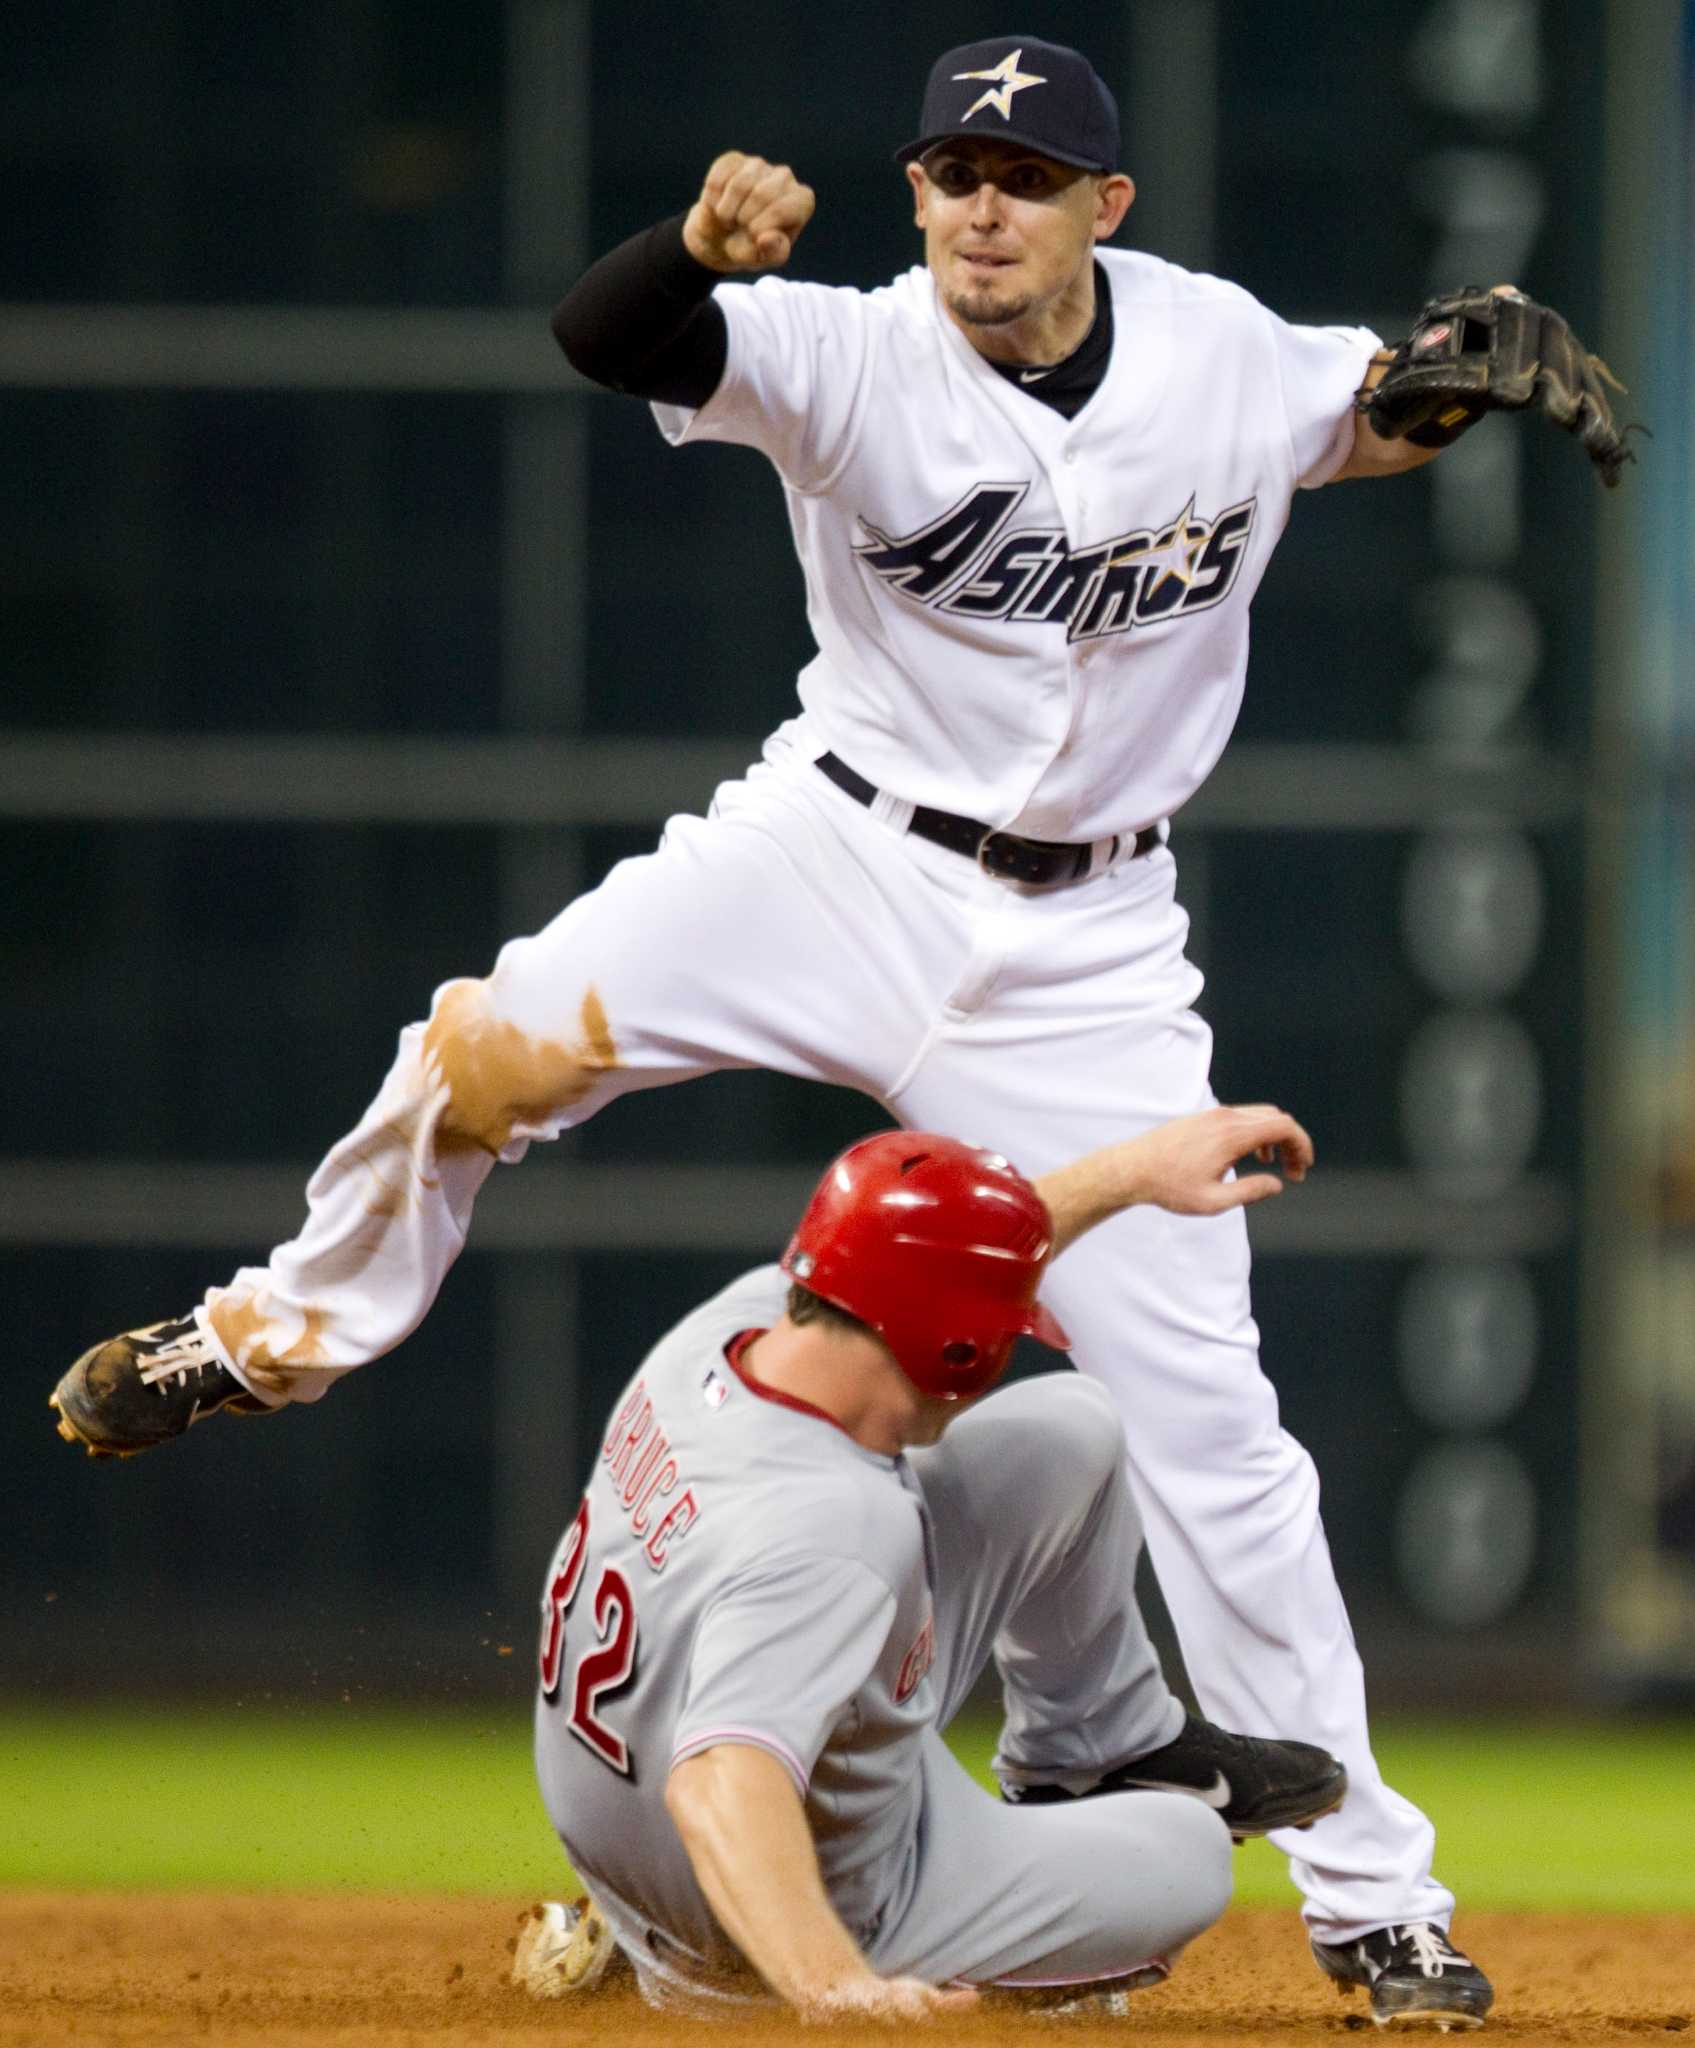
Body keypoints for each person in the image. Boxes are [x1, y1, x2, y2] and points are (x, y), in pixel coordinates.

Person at [50, 33, 1506, 2028]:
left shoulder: (1221, 352)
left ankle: (1371, 1899)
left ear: (1105, 205)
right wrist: (691, 243)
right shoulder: (843, 345)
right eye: (947, 171)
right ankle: (262, 1332)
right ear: (914, 196)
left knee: (1214, 1439)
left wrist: (1466, 358)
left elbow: (1381, 408)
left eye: (1020, 176)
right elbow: (608, 333)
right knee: (480, 1052)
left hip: (1090, 936)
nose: (976, 207)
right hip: (833, 852)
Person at [516, 1105, 1333, 2019]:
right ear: (958, 1343)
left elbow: (932, 1248)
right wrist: (834, 1986)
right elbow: (720, 1782)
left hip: (635, 1799)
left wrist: (1134, 1172)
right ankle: (719, 1983)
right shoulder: (833, 1531)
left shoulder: (731, 1329)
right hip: (777, 1898)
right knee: (1187, 1854)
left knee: (1074, 1431)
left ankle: (1093, 1752)